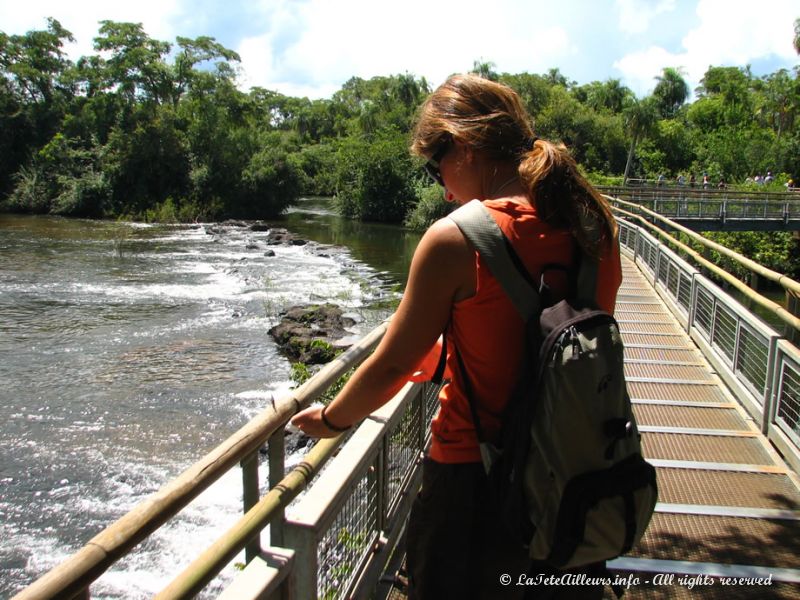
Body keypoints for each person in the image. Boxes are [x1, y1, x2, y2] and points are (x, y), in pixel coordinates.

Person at [291, 74, 622, 599]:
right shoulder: (593, 228)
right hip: (576, 471)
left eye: (436, 164)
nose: (440, 186)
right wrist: (457, 344)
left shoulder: (456, 238)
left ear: (464, 147)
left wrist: (330, 418)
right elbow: (559, 342)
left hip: (475, 482)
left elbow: (393, 364)